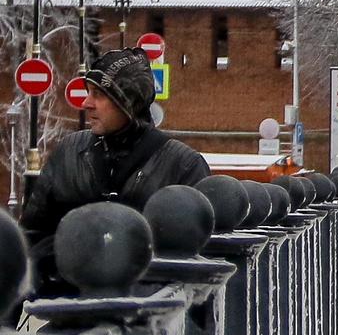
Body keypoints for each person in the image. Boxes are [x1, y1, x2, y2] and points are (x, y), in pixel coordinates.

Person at [22, 47, 210, 293]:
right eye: (88, 92)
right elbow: (31, 234)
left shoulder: (182, 165)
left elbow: (197, 258)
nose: (86, 103)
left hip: (147, 318)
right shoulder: (70, 152)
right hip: (67, 311)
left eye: (99, 95)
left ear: (127, 101)